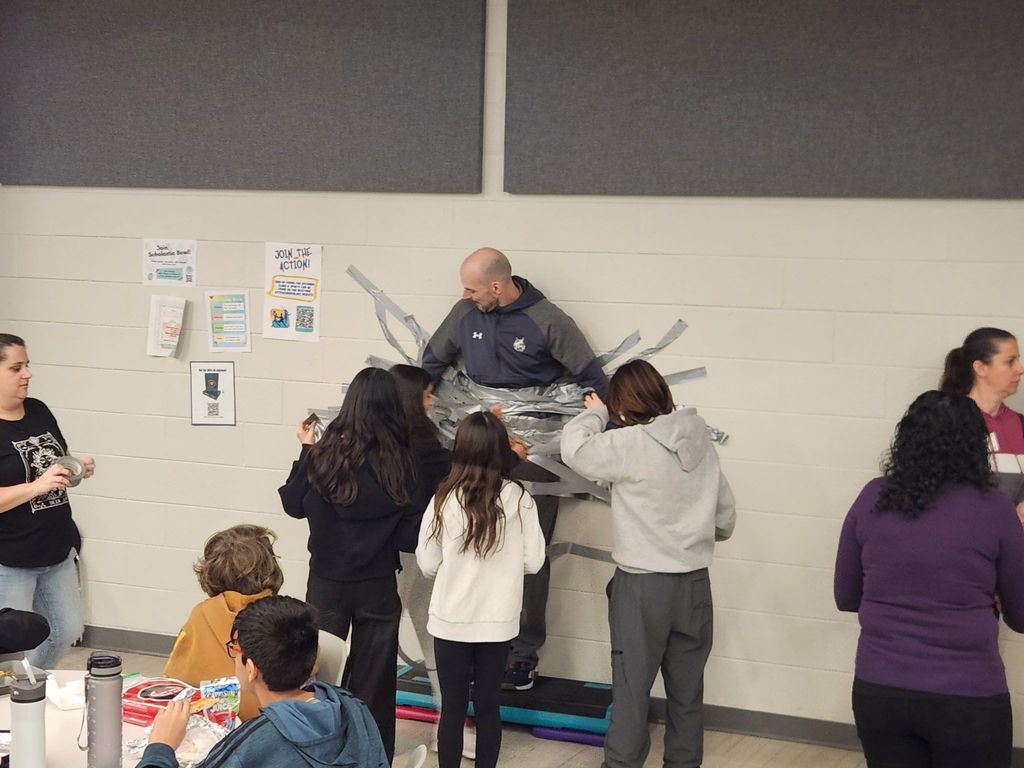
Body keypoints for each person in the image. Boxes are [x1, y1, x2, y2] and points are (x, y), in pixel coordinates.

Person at [422, 246, 607, 690]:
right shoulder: (464, 314)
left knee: (530, 552)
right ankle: (467, 646)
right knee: (466, 540)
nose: (464, 296)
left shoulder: (549, 320)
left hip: (535, 453)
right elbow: (430, 364)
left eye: (472, 289)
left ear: (497, 286)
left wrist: (599, 439)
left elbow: (593, 380)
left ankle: (523, 654)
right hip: (477, 447)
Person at [560, 359, 735, 768]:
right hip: (695, 584)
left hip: (643, 587)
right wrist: (689, 537)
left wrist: (597, 412)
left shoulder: (631, 444)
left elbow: (575, 448)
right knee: (687, 693)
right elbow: (725, 518)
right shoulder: (701, 441)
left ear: (622, 404)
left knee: (632, 692)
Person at [834, 390, 1024, 767]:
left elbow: (846, 595)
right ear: (976, 444)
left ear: (906, 439)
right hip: (968, 694)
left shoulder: (873, 496)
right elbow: (1021, 616)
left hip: (880, 690)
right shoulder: (995, 509)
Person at [278, 366, 432, 762]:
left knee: (317, 674)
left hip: (326, 582)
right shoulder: (404, 462)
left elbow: (293, 505)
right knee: (375, 682)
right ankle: (373, 758)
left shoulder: (322, 456)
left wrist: (306, 449)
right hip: (377, 582)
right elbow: (410, 538)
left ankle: (317, 755)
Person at [417, 411, 546, 768]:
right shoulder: (519, 498)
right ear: (501, 450)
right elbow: (534, 560)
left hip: (450, 621)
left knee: (453, 707)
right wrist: (505, 568)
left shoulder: (444, 498)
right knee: (489, 706)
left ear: (460, 449)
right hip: (498, 623)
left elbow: (427, 563)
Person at [137, 595, 389, 768]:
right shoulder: (355, 708)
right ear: (313, 661)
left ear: (251, 669)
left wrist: (161, 746)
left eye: (234, 649)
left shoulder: (252, 745)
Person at [0, 333, 94, 669]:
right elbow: (36, 483)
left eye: (27, 365)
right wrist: (36, 487)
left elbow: (51, 462)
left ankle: (31, 688)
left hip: (55, 547)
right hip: (10, 558)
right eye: (16, 368)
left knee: (65, 630)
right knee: (10, 650)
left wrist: (75, 468)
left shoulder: (38, 410)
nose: (27, 374)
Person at [163, 524, 283, 721]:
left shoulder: (200, 613)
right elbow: (309, 667)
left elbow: (175, 677)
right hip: (269, 722)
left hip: (210, 719)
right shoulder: (284, 616)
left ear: (210, 571)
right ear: (271, 568)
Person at [939, 327, 1024, 520]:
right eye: (1010, 361)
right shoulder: (947, 420)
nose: (1020, 369)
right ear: (980, 368)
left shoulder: (1019, 423)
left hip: (1011, 534)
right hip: (965, 531)